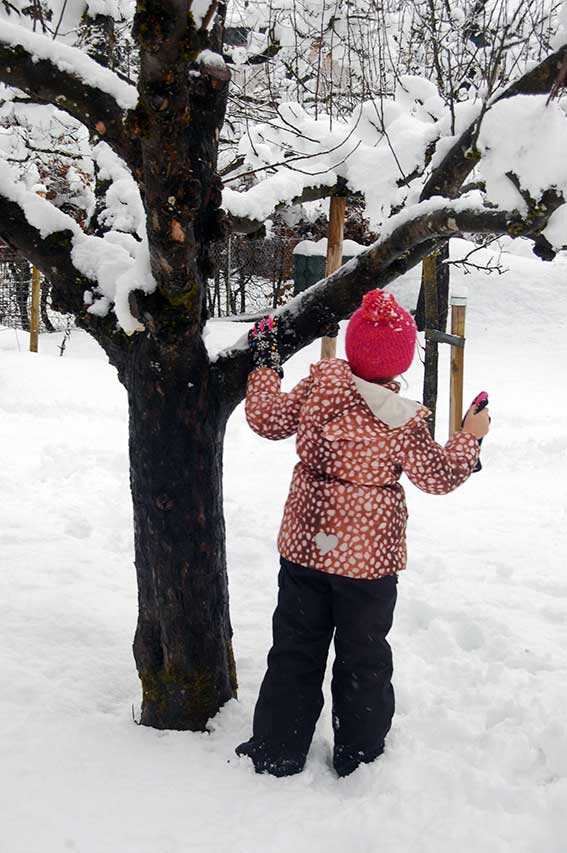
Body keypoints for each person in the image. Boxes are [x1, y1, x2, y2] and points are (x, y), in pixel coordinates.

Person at [235, 290, 490, 778]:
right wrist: (470, 436)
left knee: (295, 647)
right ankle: (359, 756)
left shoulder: (319, 389)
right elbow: (438, 477)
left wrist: (266, 363)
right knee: (364, 655)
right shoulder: (402, 421)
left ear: (352, 349)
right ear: (401, 360)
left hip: (307, 546)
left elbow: (264, 419)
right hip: (368, 563)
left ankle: (277, 749)